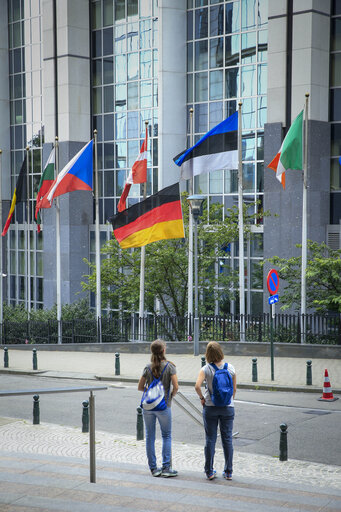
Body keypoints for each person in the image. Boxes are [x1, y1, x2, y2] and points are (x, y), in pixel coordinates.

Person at [195, 341, 236, 481]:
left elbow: (197, 386)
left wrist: (202, 398)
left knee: (210, 439)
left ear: (208, 354)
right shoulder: (230, 368)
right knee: (227, 439)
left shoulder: (205, 369)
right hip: (227, 408)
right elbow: (234, 389)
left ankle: (209, 471)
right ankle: (229, 471)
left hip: (210, 407)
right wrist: (230, 400)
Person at [138, 339, 179, 477]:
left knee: (150, 436)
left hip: (148, 407)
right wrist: (169, 397)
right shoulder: (170, 367)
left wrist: (152, 392)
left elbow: (140, 387)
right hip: (164, 406)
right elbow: (176, 387)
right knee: (166, 436)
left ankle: (154, 469)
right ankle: (166, 468)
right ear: (163, 350)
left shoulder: (147, 367)